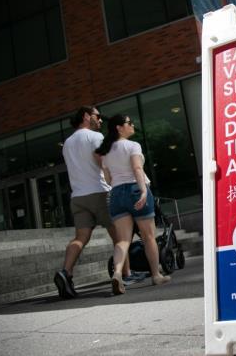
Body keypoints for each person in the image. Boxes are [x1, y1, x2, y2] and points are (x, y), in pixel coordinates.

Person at [54, 106, 130, 299]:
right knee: (120, 236)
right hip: (100, 193)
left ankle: (66, 272)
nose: (101, 120)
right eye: (98, 116)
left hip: (78, 197)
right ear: (87, 116)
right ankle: (123, 275)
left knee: (80, 238)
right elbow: (102, 161)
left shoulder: (68, 143)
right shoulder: (95, 137)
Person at [95, 114, 171, 295]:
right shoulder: (132, 146)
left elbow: (107, 178)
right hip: (136, 189)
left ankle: (118, 272)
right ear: (119, 128)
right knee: (148, 236)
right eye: (129, 123)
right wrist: (143, 190)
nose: (132, 125)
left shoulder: (106, 152)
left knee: (122, 240)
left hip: (116, 194)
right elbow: (137, 168)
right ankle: (155, 275)